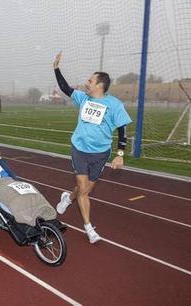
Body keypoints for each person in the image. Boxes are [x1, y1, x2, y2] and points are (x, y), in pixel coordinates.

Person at [52, 51, 132, 244]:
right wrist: (56, 68)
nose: (86, 83)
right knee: (83, 189)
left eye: (90, 80)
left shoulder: (114, 105)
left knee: (85, 189)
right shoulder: (83, 98)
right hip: (79, 149)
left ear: (100, 85)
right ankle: (89, 228)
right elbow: (64, 87)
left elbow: (122, 130)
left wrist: (120, 154)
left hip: (101, 153)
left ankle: (67, 198)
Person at [0, 136, 57, 225]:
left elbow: (2, 172)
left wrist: (8, 181)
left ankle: (44, 211)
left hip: (5, 181)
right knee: (13, 196)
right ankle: (25, 217)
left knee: (28, 188)